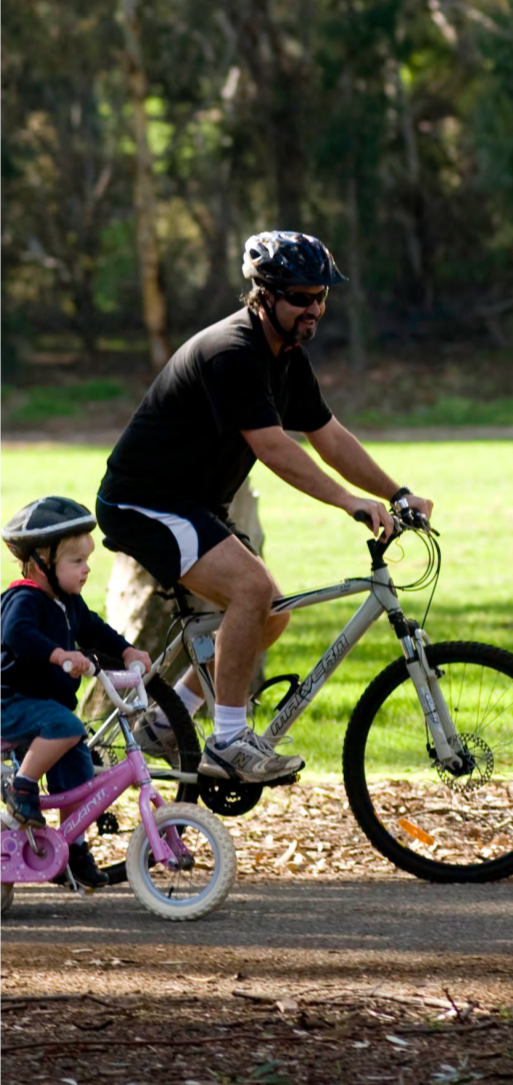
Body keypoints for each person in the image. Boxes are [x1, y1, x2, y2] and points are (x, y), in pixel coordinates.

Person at [96, 230, 433, 786]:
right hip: (144, 501)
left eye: (321, 297)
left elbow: (328, 436)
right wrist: (348, 502)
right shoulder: (233, 351)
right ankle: (228, 743)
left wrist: (396, 492)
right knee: (252, 590)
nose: (315, 309)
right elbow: (273, 447)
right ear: (265, 295)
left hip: (194, 503)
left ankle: (164, 720)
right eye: (301, 297)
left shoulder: (286, 356)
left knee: (270, 612)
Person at [1, 497, 152, 888]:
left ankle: (72, 847)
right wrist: (58, 655)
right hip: (11, 704)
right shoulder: (24, 599)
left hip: (45, 712)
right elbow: (16, 635)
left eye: (88, 561)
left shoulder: (67, 602)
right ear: (40, 564)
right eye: (77, 562)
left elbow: (94, 629)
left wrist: (126, 651)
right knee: (66, 726)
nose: (86, 569)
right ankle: (22, 787)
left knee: (78, 771)